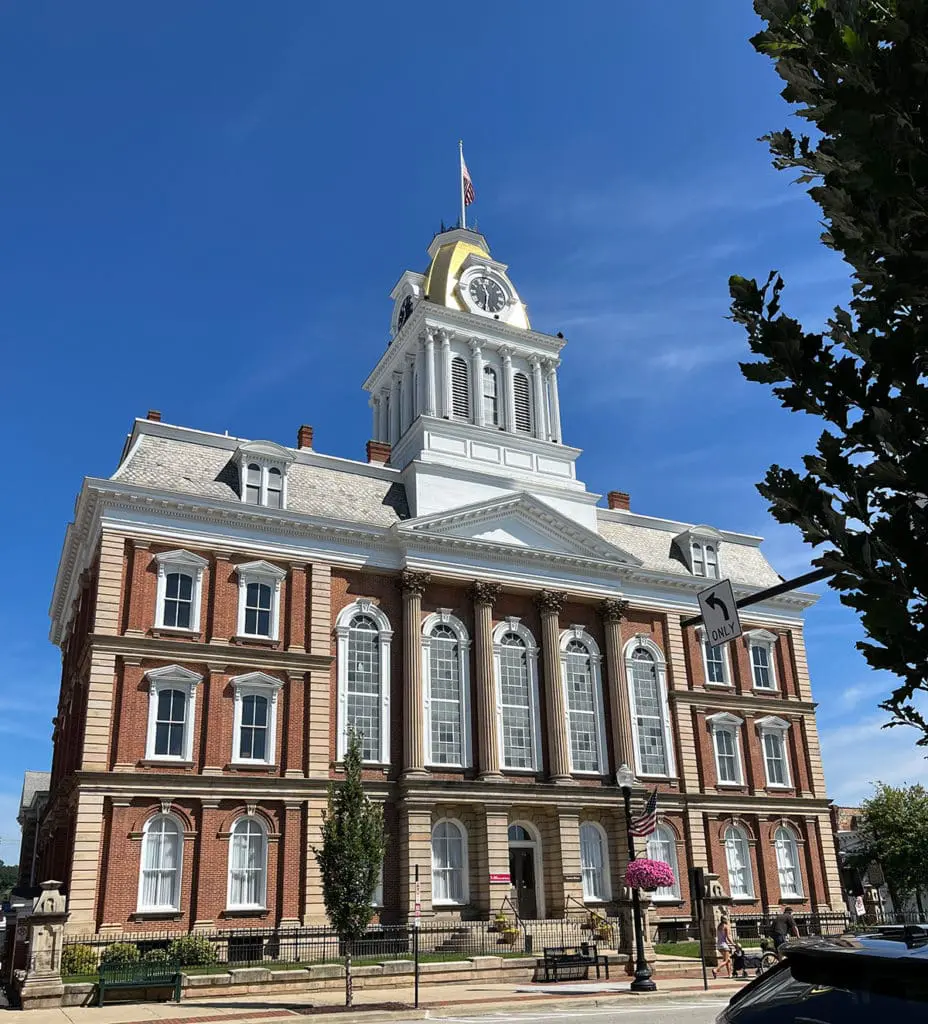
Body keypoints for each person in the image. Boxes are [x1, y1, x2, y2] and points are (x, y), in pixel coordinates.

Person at [712, 914, 733, 979]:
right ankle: (716, 969)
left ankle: (730, 974)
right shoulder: (726, 926)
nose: (727, 920)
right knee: (726, 960)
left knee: (728, 960)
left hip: (719, 945)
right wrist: (733, 943)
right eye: (727, 919)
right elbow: (728, 937)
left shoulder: (719, 926)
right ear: (725, 919)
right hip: (724, 945)